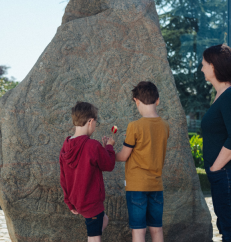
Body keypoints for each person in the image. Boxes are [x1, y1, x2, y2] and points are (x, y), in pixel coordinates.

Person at [201, 44, 231, 242]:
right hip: (226, 174)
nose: (202, 68)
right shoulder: (222, 95)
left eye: (204, 64)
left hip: (230, 173)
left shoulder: (229, 96)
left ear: (214, 67)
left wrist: (215, 168)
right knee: (227, 228)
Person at [116, 81, 169, 242]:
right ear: (158, 100)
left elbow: (124, 156)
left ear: (136, 101)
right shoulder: (165, 126)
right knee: (156, 228)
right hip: (156, 185)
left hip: (136, 186)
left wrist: (110, 150)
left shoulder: (134, 126)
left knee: (138, 231)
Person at [59, 101, 116, 242]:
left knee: (104, 220)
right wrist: (109, 147)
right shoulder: (92, 145)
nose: (96, 125)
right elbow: (108, 165)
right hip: (92, 203)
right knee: (94, 237)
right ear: (90, 121)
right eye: (96, 121)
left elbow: (63, 177)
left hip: (77, 201)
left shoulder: (65, 146)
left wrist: (69, 201)